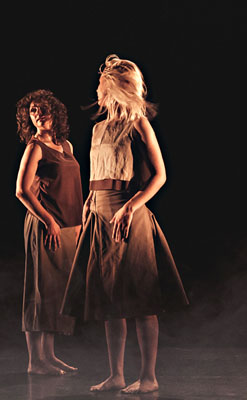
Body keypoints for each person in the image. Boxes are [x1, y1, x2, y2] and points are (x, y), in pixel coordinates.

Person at [61, 55, 189, 393]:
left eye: (102, 86)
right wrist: (89, 202)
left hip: (128, 214)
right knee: (109, 303)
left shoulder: (139, 124)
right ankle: (116, 375)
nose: (98, 92)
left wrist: (131, 207)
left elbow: (160, 175)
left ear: (116, 89)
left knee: (142, 300)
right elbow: (97, 173)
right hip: (100, 214)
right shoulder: (97, 129)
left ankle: (148, 377)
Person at [15, 89, 84, 375]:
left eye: (43, 109)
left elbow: (72, 188)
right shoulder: (35, 147)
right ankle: (35, 361)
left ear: (55, 112)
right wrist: (48, 221)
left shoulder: (66, 145)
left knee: (57, 291)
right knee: (40, 289)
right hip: (46, 225)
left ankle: (50, 356)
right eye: (33, 111)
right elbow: (21, 191)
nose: (39, 114)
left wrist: (78, 224)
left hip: (68, 226)